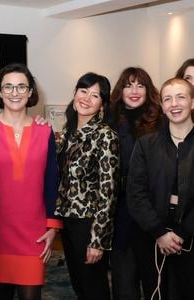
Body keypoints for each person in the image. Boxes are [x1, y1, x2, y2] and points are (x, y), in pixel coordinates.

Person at [0, 63, 62, 300]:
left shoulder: (45, 131)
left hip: (33, 234)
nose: (14, 92)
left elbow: (52, 181)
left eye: (21, 87)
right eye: (8, 86)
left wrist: (52, 227)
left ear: (30, 92)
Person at [127, 78, 194, 300]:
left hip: (191, 236)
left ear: (192, 102)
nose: (174, 104)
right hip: (152, 238)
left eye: (181, 97)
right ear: (163, 106)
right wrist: (159, 232)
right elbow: (136, 194)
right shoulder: (146, 144)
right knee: (156, 292)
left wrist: (183, 232)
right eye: (168, 99)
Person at [55, 72, 120, 300]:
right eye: (83, 91)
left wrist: (98, 240)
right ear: (75, 94)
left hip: (89, 223)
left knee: (94, 288)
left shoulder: (105, 136)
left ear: (102, 104)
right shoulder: (66, 133)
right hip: (67, 219)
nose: (86, 98)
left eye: (95, 95)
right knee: (78, 284)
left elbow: (108, 192)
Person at [110, 67, 162, 300]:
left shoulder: (161, 121)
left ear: (148, 90)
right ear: (120, 90)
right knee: (124, 282)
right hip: (120, 212)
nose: (134, 90)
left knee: (154, 281)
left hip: (152, 211)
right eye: (128, 85)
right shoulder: (108, 119)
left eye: (140, 85)